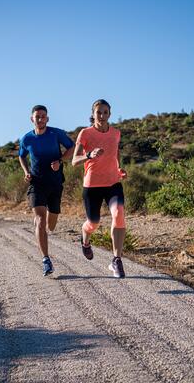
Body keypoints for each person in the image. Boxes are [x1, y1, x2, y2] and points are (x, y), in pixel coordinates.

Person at [72, 99, 128, 278]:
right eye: (98, 113)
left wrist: (119, 168)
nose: (102, 116)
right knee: (93, 223)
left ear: (110, 114)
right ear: (93, 114)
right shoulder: (85, 133)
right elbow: (74, 161)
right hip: (92, 185)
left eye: (105, 112)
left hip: (113, 183)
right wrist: (89, 155)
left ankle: (116, 260)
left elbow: (116, 152)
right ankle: (85, 239)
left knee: (119, 214)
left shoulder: (116, 133)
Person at [19, 105, 75, 276]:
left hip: (55, 183)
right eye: (37, 116)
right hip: (37, 183)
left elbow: (72, 148)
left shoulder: (56, 133)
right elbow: (21, 155)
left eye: (43, 116)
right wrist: (26, 172)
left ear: (47, 119)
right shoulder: (26, 138)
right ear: (32, 119)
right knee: (41, 219)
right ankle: (46, 259)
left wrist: (60, 160)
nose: (40, 119)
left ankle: (42, 226)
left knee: (51, 225)